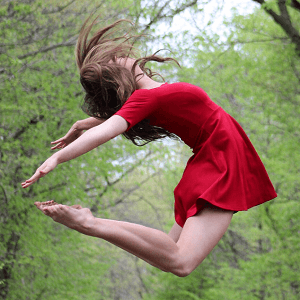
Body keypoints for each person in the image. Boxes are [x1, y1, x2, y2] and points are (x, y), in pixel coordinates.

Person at [21, 18, 277, 277]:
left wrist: (82, 123)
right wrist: (58, 158)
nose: (122, 55)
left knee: (171, 253)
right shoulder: (144, 98)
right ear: (115, 75)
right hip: (221, 161)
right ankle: (89, 223)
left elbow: (116, 119)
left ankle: (90, 222)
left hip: (212, 160)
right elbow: (108, 130)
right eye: (114, 58)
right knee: (180, 261)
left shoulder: (149, 100)